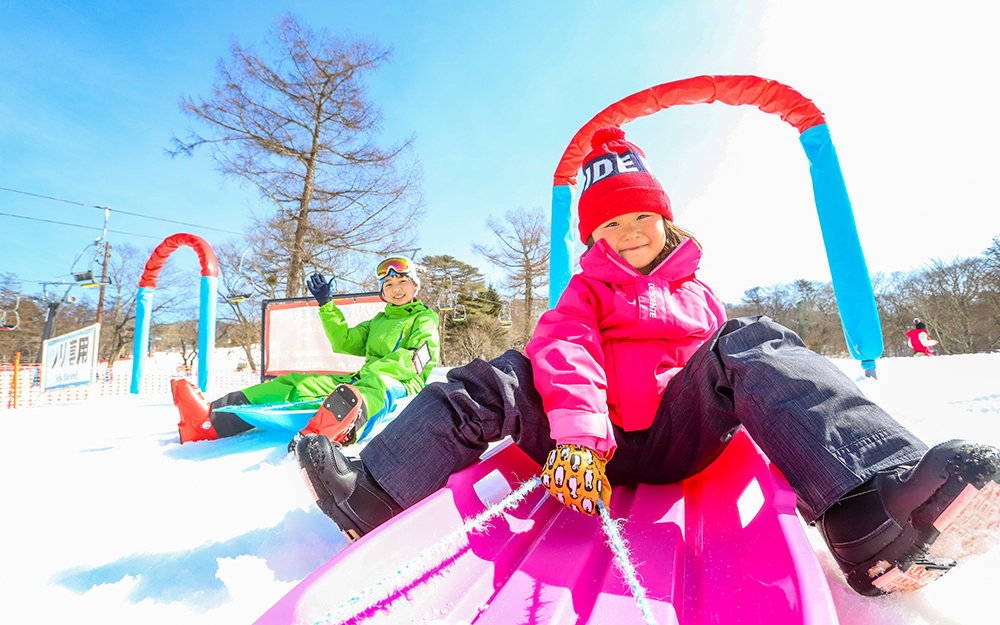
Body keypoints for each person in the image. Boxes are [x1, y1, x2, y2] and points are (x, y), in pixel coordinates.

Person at [293, 127, 1000, 596]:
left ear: (666, 219)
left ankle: (874, 510)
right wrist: (575, 432)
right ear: (592, 235)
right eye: (610, 224)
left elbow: (741, 382)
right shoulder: (585, 288)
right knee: (498, 372)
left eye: (640, 218)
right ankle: (379, 491)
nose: (628, 234)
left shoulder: (699, 293)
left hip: (674, 437)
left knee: (751, 342)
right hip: (576, 448)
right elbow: (562, 348)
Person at [171, 255, 440, 447]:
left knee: (374, 385)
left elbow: (417, 359)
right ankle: (208, 420)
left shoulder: (424, 319)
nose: (396, 289)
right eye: (389, 285)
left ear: (415, 286)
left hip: (401, 383)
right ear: (383, 292)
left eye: (402, 281)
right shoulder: (379, 322)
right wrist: (326, 304)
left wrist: (372, 375)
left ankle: (338, 430)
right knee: (299, 382)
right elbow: (344, 341)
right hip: (362, 379)